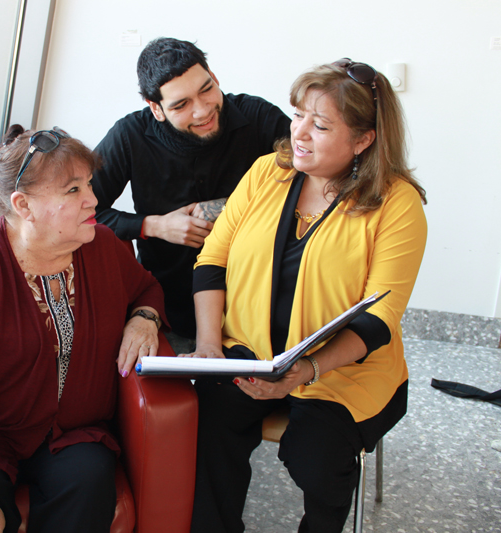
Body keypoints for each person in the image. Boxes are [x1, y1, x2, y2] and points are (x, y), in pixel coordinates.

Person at [184, 59, 428, 532]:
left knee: (317, 458)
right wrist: (211, 347)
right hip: (250, 351)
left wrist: (306, 370)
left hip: (340, 370)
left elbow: (378, 318)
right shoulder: (266, 173)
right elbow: (212, 261)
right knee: (207, 424)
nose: (298, 132)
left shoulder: (397, 203)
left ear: (363, 140)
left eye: (320, 125)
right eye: (298, 115)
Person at [0, 125, 167, 533]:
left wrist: (144, 318)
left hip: (74, 433)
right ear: (23, 205)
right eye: (73, 190)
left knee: (89, 479)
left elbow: (147, 288)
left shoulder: (102, 246)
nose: (92, 199)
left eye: (89, 184)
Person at [92, 37, 291, 353]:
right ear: (156, 109)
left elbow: (315, 180)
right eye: (181, 105)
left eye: (206, 89)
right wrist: (153, 226)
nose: (202, 111)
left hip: (257, 311)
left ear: (214, 76)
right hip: (169, 311)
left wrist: (229, 207)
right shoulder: (129, 135)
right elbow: (84, 212)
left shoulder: (258, 117)